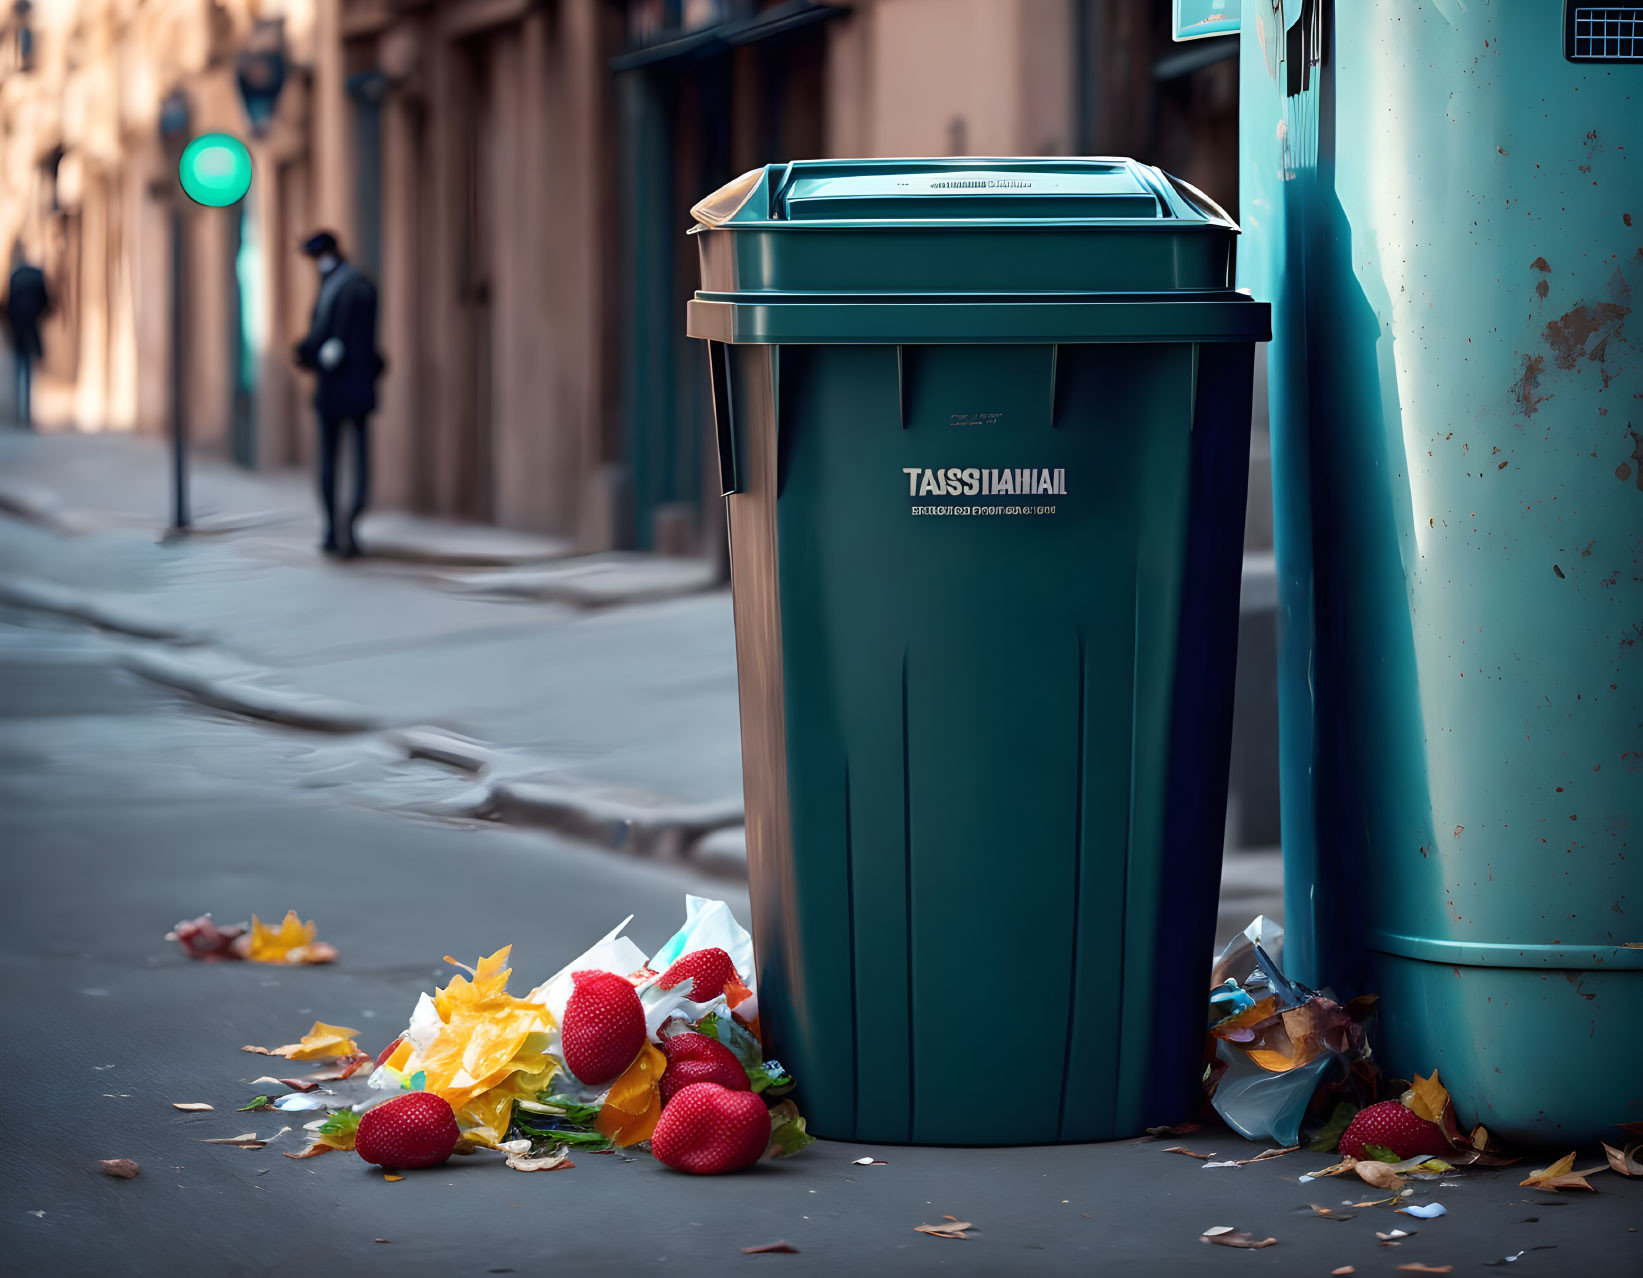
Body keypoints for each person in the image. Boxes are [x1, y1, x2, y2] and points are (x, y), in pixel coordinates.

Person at [293, 230, 383, 557]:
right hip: (356, 387)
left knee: (334, 460)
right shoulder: (358, 284)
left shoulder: (342, 288)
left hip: (338, 387)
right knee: (353, 460)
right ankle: (343, 525)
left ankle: (337, 528)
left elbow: (327, 339)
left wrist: (306, 353)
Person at [5, 245, 50, 429]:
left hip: (18, 331)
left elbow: (8, 307)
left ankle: (20, 412)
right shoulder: (36, 276)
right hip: (31, 329)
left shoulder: (15, 277)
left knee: (19, 369)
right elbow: (46, 303)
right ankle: (27, 413)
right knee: (28, 372)